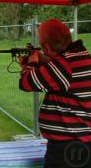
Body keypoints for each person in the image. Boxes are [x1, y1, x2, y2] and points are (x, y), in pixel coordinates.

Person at [19, 18, 91, 168]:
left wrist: (30, 62)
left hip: (66, 149)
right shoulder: (82, 56)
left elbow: (26, 83)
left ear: (47, 47)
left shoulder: (65, 65)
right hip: (80, 143)